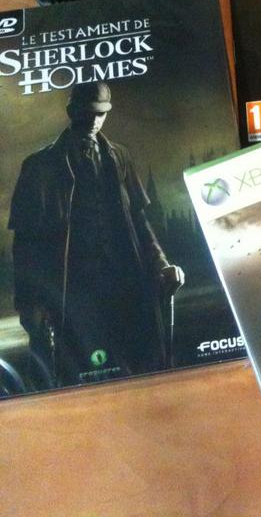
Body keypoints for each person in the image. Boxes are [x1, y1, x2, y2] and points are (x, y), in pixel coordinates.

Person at [8, 82, 184, 386]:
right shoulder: (39, 166)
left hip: (123, 285)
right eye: (87, 113)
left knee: (137, 369)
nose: (93, 120)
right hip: (70, 293)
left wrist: (161, 265)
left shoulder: (120, 157)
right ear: (71, 111)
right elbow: (25, 244)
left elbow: (140, 222)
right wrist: (29, 303)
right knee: (76, 376)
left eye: (100, 113)